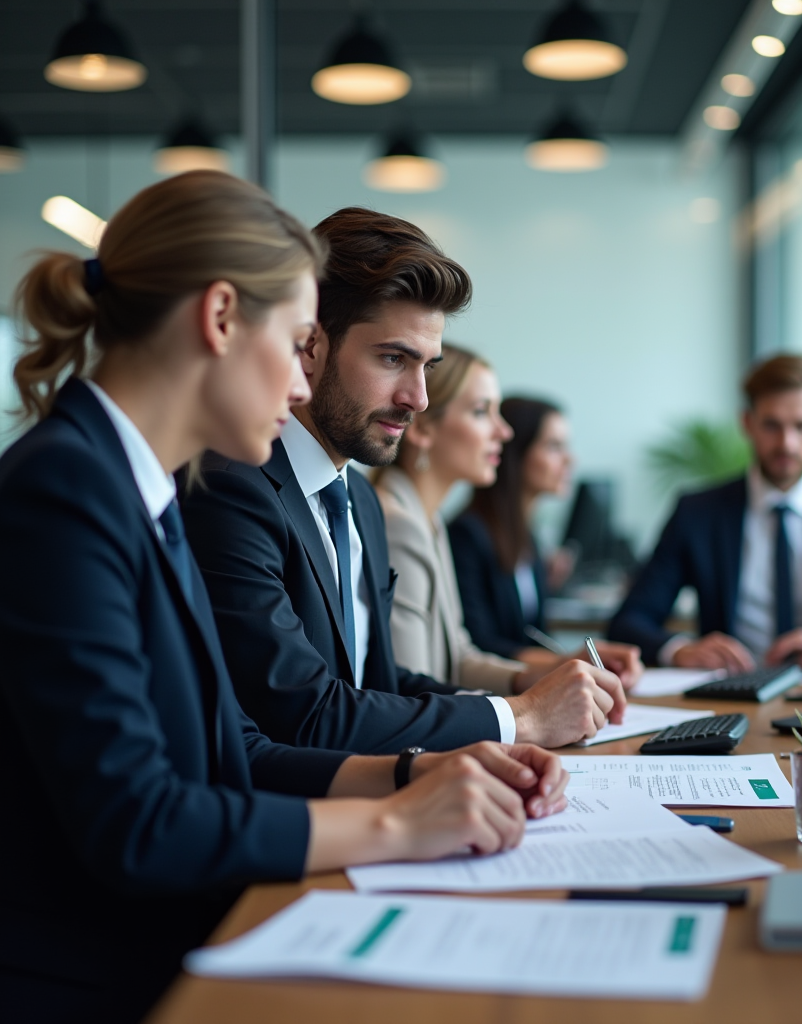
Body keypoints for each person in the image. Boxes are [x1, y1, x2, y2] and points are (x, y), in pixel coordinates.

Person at [0, 173, 568, 1024]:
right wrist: (400, 827)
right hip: (107, 978)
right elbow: (138, 823)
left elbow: (243, 749)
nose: (302, 387)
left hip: (186, 934)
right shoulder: (66, 490)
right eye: (298, 341)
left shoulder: (134, 483)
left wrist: (423, 771)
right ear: (221, 319)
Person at [181, 206, 627, 753]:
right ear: (311, 346)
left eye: (427, 367)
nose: (417, 398)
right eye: (393, 358)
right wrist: (520, 719)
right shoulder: (233, 489)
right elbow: (303, 716)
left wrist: (528, 702)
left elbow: (381, 684)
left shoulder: (359, 501)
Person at [374, 351, 642, 697]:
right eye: (481, 411)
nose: (503, 431)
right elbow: (410, 690)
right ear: (422, 427)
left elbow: (459, 658)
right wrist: (529, 713)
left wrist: (551, 673)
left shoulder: (429, 521)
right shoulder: (399, 525)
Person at [608, 354, 802, 673]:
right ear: (747, 423)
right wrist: (679, 650)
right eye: (772, 425)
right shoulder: (698, 512)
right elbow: (629, 621)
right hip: (730, 693)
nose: (787, 443)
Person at [450, 396, 584, 663]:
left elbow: (534, 633)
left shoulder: (527, 537)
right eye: (554, 446)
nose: (570, 460)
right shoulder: (467, 535)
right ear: (515, 453)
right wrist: (566, 662)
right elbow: (479, 644)